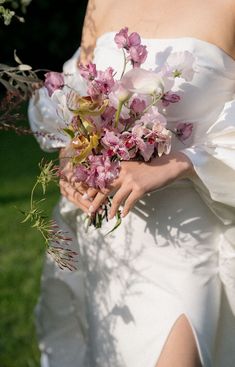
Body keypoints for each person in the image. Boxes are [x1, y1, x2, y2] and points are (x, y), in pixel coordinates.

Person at [28, 0, 235, 366]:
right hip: (109, 234)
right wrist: (72, 160)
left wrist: (182, 161)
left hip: (188, 234)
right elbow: (75, 99)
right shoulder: (101, 4)